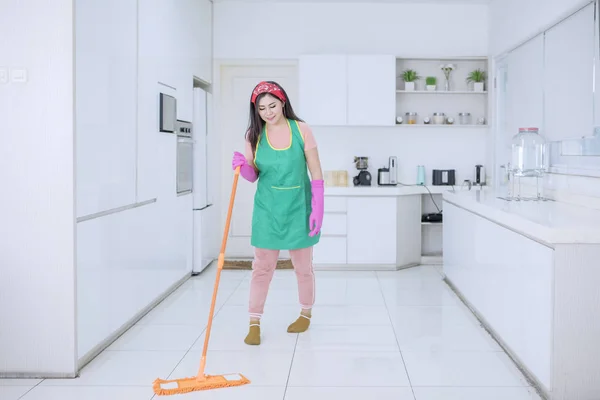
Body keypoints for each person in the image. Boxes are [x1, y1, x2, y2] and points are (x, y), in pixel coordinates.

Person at [231, 81, 324, 346]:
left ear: (283, 102)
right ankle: (254, 322)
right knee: (261, 268)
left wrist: (318, 207)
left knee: (303, 268)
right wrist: (241, 166)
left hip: (299, 206)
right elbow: (252, 176)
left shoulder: (301, 130)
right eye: (261, 108)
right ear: (256, 110)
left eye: (272, 105)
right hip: (267, 209)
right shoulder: (253, 136)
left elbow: (316, 171)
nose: (268, 112)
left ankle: (305, 313)